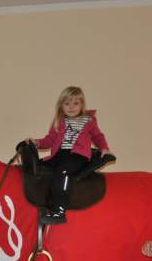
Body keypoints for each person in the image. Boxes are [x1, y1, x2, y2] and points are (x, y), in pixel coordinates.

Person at [27, 86, 113, 224]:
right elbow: (49, 140)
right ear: (61, 105)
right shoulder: (59, 121)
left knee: (63, 172)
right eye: (67, 103)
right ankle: (43, 202)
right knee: (40, 167)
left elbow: (98, 136)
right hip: (59, 154)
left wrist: (104, 148)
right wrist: (37, 143)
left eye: (75, 103)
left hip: (77, 156)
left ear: (82, 105)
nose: (71, 107)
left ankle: (59, 211)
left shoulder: (88, 120)